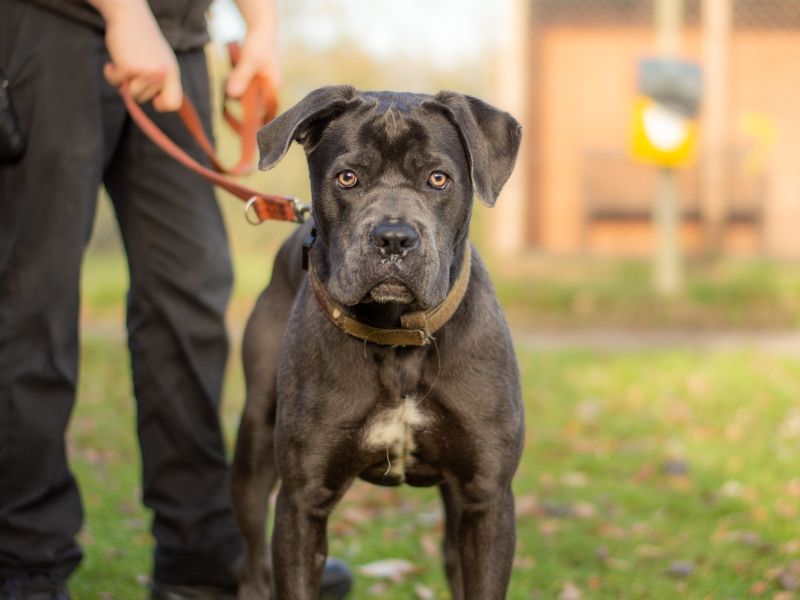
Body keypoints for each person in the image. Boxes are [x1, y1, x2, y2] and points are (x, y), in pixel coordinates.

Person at [0, 1, 351, 599]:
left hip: (178, 38)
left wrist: (262, 28)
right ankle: (24, 560)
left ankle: (197, 548)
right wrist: (124, 14)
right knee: (34, 298)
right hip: (50, 24)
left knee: (189, 290)